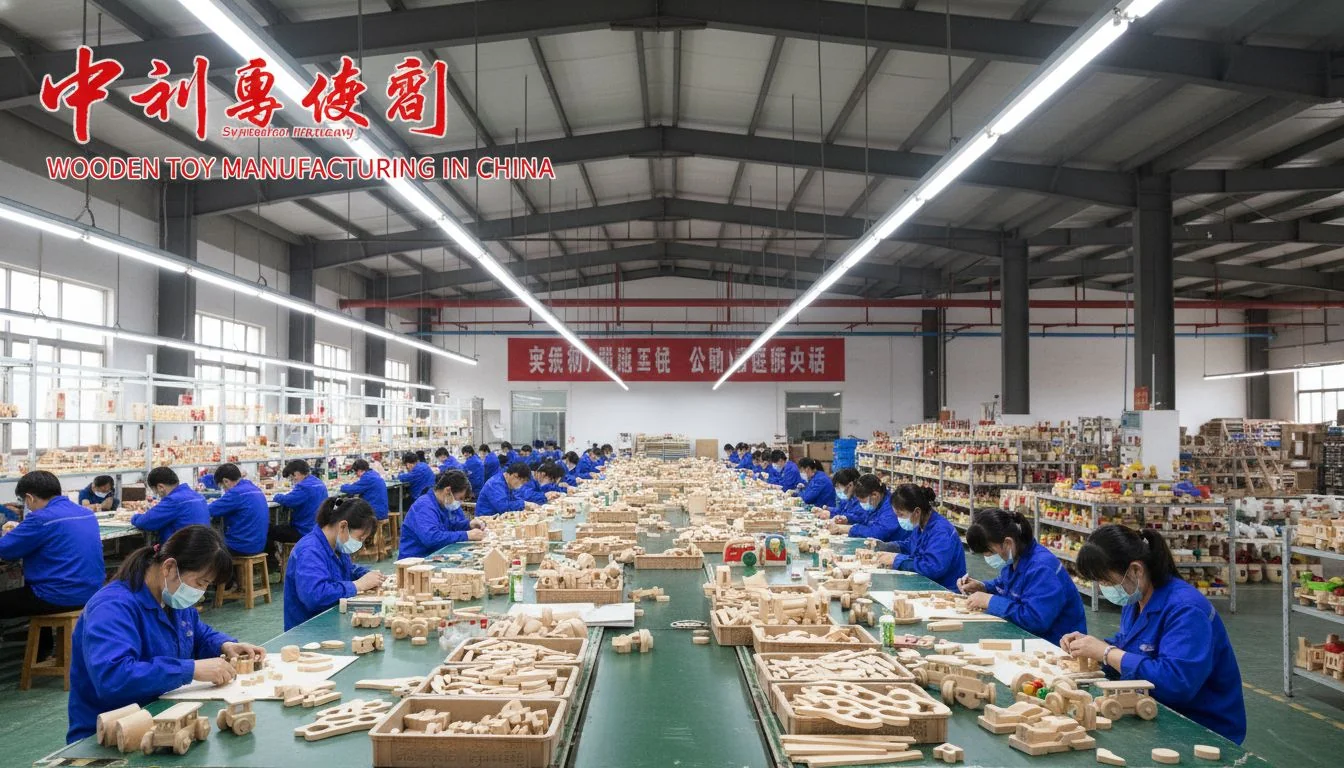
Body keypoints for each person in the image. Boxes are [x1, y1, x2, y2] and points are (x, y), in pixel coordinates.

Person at [66, 526, 265, 743]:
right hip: (110, 734)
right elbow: (113, 677)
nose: (200, 593)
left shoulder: (171, 596)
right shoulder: (112, 607)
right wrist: (191, 669)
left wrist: (223, 645)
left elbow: (195, 633)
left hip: (160, 719)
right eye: (200, 583)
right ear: (169, 567)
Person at [1061, 524, 1246, 744]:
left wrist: (1107, 653)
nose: (1104, 589)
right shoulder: (1137, 599)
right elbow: (1130, 645)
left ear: (1136, 570)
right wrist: (1091, 648)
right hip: (1158, 709)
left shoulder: (1186, 610)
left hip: (1202, 726)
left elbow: (1176, 684)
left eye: (1107, 582)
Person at [0, 471, 105, 660]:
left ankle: (39, 651)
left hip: (58, 596)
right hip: (91, 592)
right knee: (36, 586)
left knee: (35, 592)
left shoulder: (41, 518)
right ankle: (42, 650)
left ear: (29, 497)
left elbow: (5, 549)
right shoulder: (85, 513)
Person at [958, 508, 1086, 646]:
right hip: (1030, 639)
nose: (987, 557)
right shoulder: (1014, 558)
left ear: (1008, 543)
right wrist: (983, 587)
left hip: (1056, 645)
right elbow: (1004, 585)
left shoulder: (1042, 568)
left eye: (990, 552)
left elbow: (1036, 620)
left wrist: (990, 601)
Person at [282, 497, 387, 630]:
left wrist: (368, 575)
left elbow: (347, 570)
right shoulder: (309, 551)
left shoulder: (335, 545)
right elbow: (315, 596)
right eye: (360, 538)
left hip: (331, 625)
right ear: (343, 526)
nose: (360, 544)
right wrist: (358, 585)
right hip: (309, 631)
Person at [874, 484, 966, 590]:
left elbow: (932, 567)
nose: (898, 519)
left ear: (917, 512)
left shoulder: (941, 531)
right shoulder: (922, 524)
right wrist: (887, 547)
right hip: (926, 584)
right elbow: (912, 545)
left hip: (944, 589)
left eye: (901, 515)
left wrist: (896, 560)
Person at [399, 471, 485, 558]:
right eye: (459, 498)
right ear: (447, 491)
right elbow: (431, 538)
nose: (459, 503)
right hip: (416, 559)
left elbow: (449, 526)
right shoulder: (424, 506)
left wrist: (468, 525)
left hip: (433, 554)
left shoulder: (440, 504)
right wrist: (466, 535)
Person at [132, 466, 210, 543]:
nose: (157, 495)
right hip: (203, 548)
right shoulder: (197, 496)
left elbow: (145, 522)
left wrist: (135, 517)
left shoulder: (173, 500)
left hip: (182, 551)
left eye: (155, 491)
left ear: (160, 487)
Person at [207, 463, 269, 557]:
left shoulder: (236, 493)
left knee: (208, 547)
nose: (225, 491)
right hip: (259, 545)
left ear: (226, 481)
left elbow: (209, 510)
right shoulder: (254, 488)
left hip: (241, 546)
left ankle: (222, 571)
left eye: (223, 487)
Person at [832, 473, 903, 543]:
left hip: (893, 546)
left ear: (875, 495)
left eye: (863, 502)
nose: (862, 505)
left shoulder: (891, 507)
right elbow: (863, 517)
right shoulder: (876, 503)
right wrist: (847, 519)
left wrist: (850, 529)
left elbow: (877, 533)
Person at [273, 459, 329, 539]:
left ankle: (271, 551)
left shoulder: (304, 487)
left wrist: (277, 496)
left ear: (296, 474)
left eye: (292, 478)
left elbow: (287, 500)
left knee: (270, 530)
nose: (293, 482)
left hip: (304, 531)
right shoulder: (318, 482)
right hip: (319, 529)